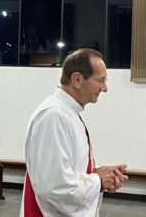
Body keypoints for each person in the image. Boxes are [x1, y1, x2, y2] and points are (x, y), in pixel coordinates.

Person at [20, 48, 128, 216]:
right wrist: (98, 180)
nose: (105, 88)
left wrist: (100, 172)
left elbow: (66, 169)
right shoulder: (53, 116)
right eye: (100, 80)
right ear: (77, 79)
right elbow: (55, 186)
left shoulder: (68, 113)